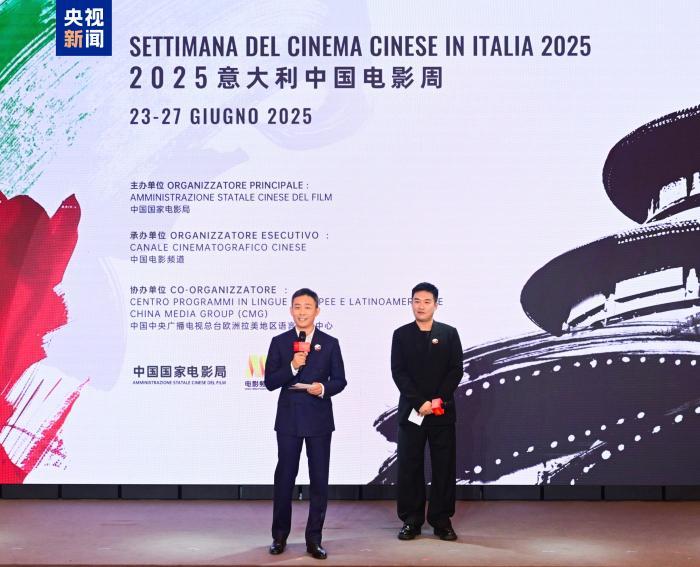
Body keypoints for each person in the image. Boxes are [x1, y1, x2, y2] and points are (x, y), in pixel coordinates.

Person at [264, 288, 346, 560]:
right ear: (291, 311)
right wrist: (292, 366)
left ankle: (314, 540)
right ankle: (279, 537)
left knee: (319, 481)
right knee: (284, 479)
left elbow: (340, 380)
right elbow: (270, 382)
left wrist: (322, 388)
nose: (302, 312)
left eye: (307, 307)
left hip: (319, 420)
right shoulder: (279, 342)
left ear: (317, 311)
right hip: (288, 420)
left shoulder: (330, 343)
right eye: (297, 307)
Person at [391, 282, 463, 541]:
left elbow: (456, 370)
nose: (421, 306)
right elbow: (398, 372)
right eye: (416, 301)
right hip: (412, 412)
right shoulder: (401, 335)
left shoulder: (449, 333)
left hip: (441, 412)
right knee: (410, 466)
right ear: (411, 303)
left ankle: (441, 520)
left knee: (443, 466)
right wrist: (419, 402)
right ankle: (411, 520)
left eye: (426, 301)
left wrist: (436, 400)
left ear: (436, 305)